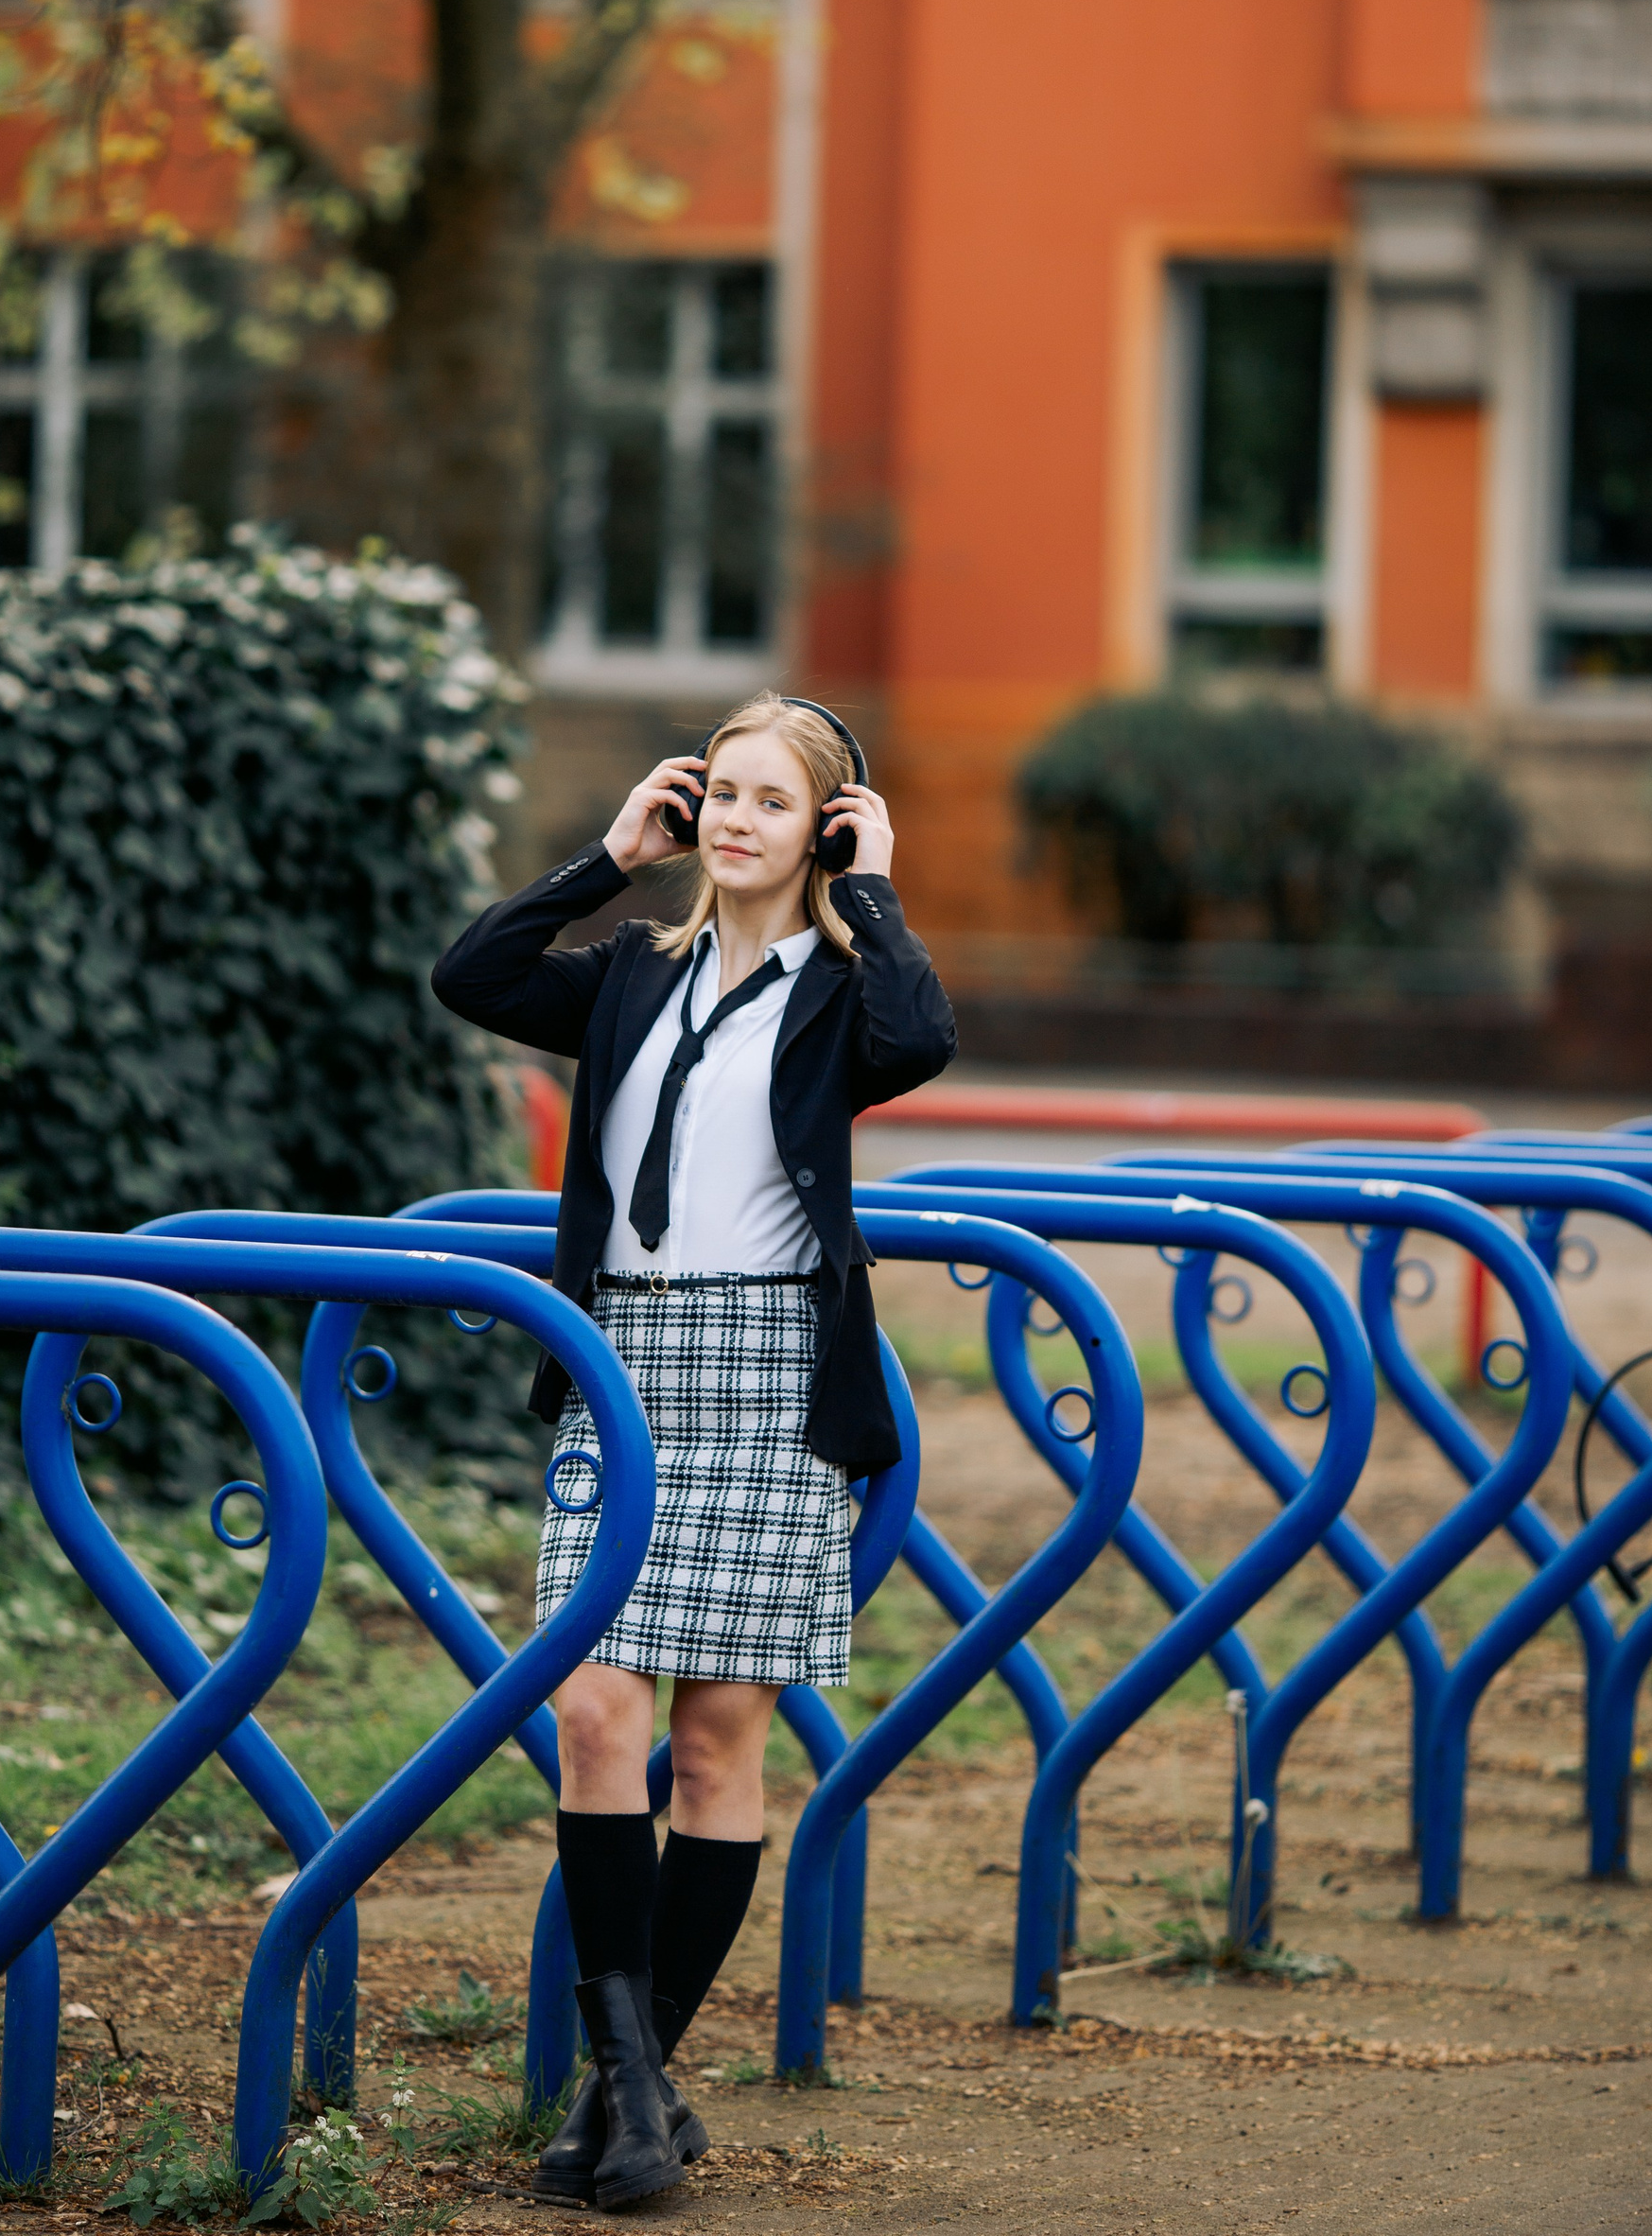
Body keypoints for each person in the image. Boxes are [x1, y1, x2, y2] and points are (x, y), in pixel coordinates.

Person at [431, 691, 955, 2211]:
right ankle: (637, 2090)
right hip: (622, 1363)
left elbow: (921, 1037)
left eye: (774, 802)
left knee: (719, 1738)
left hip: (773, 1366)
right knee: (595, 1713)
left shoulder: (840, 994)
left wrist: (872, 891)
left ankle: (627, 2092)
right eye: (721, 792)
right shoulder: (629, 974)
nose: (736, 820)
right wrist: (606, 862)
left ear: (825, 826)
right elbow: (473, 974)